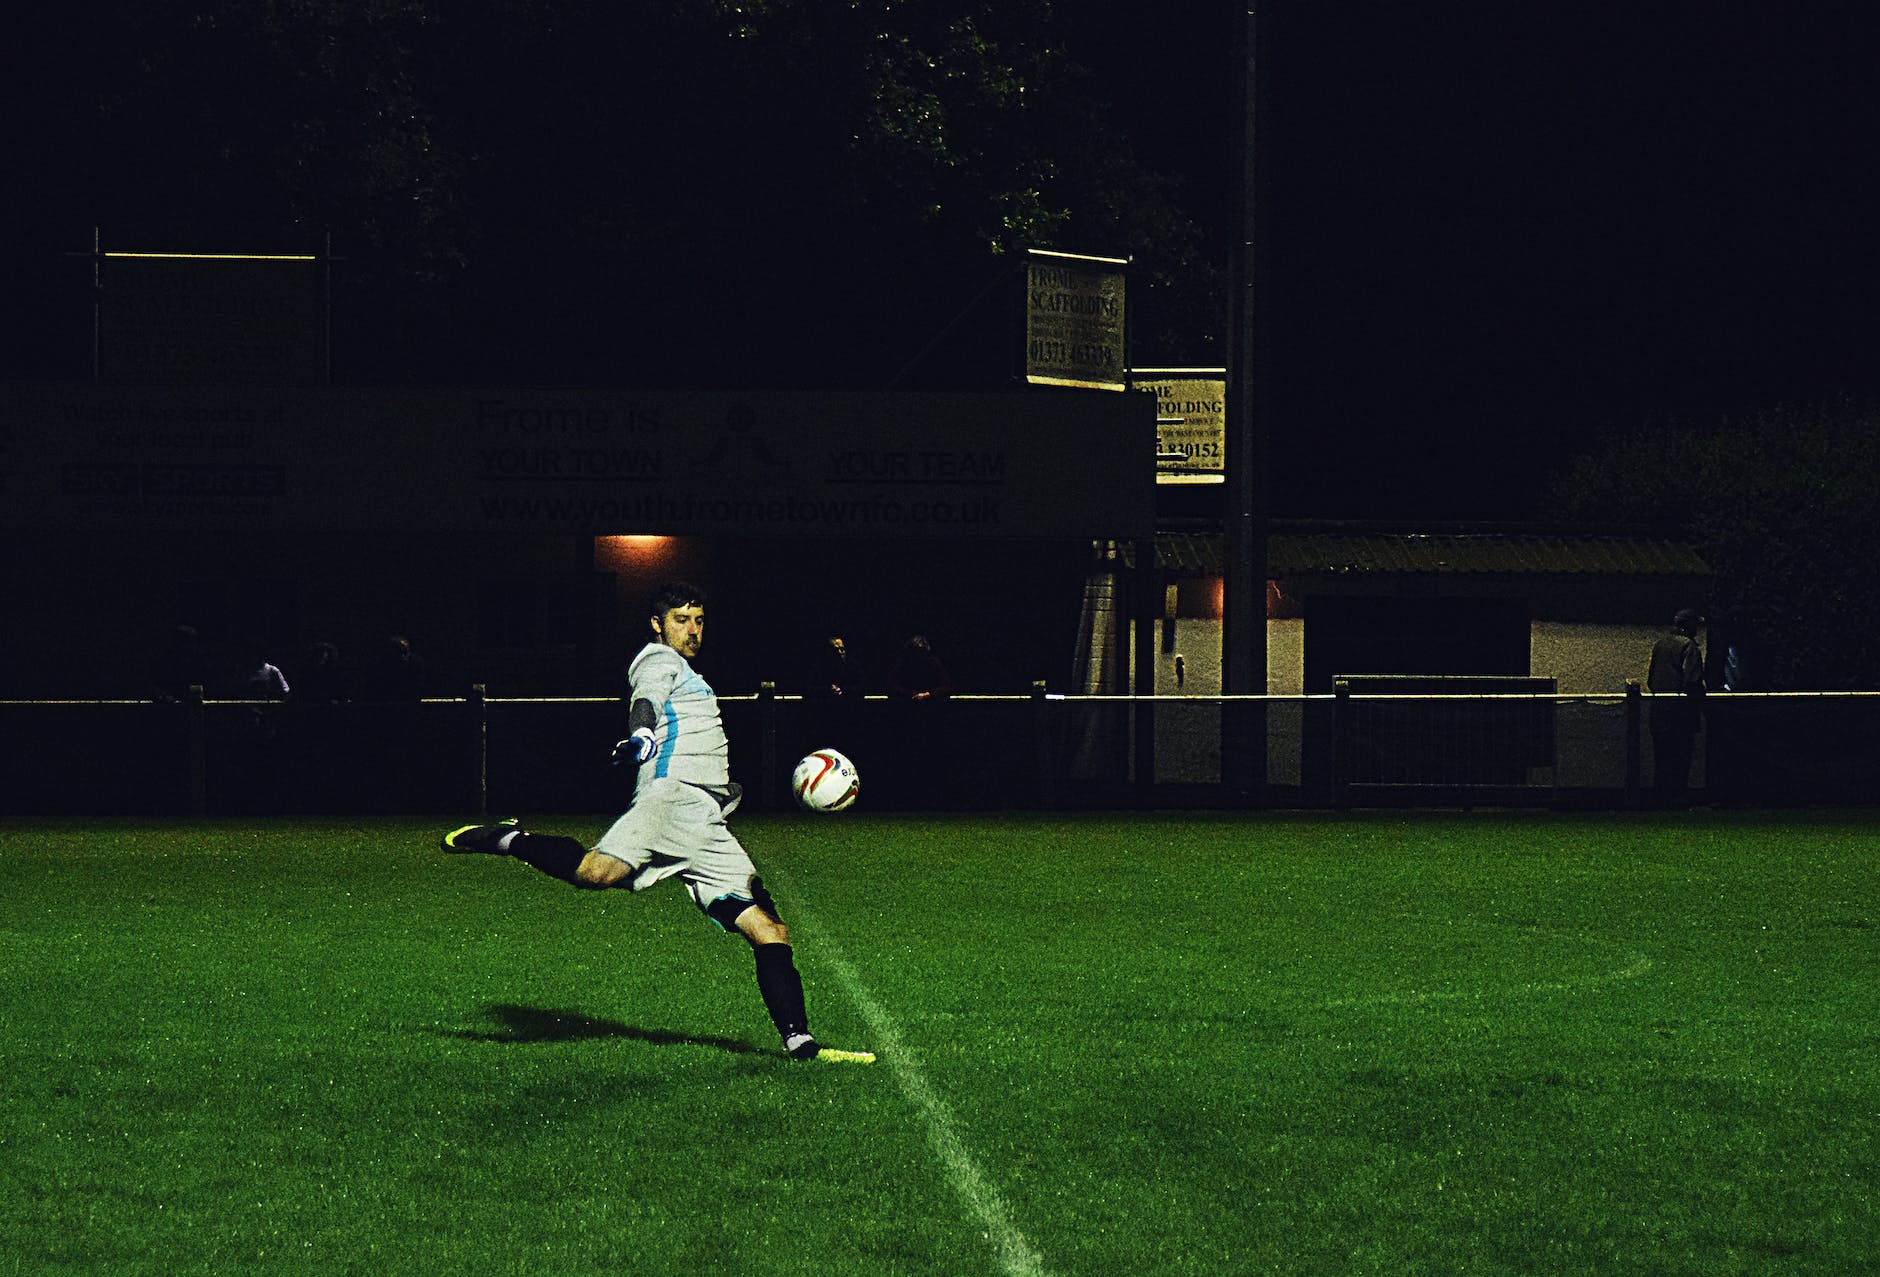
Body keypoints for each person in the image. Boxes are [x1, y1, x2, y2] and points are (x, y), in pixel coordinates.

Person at [439, 582, 871, 1064]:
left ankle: (802, 1045)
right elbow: (646, 699)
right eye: (681, 620)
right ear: (657, 624)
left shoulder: (691, 673)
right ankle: (505, 839)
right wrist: (642, 733)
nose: (692, 630)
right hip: (672, 798)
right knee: (594, 873)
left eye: (699, 620)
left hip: (708, 818)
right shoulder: (656, 660)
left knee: (769, 930)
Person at [1646, 607, 1706, 806]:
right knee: (1680, 758)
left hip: (1659, 710)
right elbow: (1692, 680)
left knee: (1662, 758)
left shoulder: (1660, 645)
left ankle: (1660, 797)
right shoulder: (1688, 646)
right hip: (1681, 713)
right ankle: (1677, 798)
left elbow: (1651, 679)